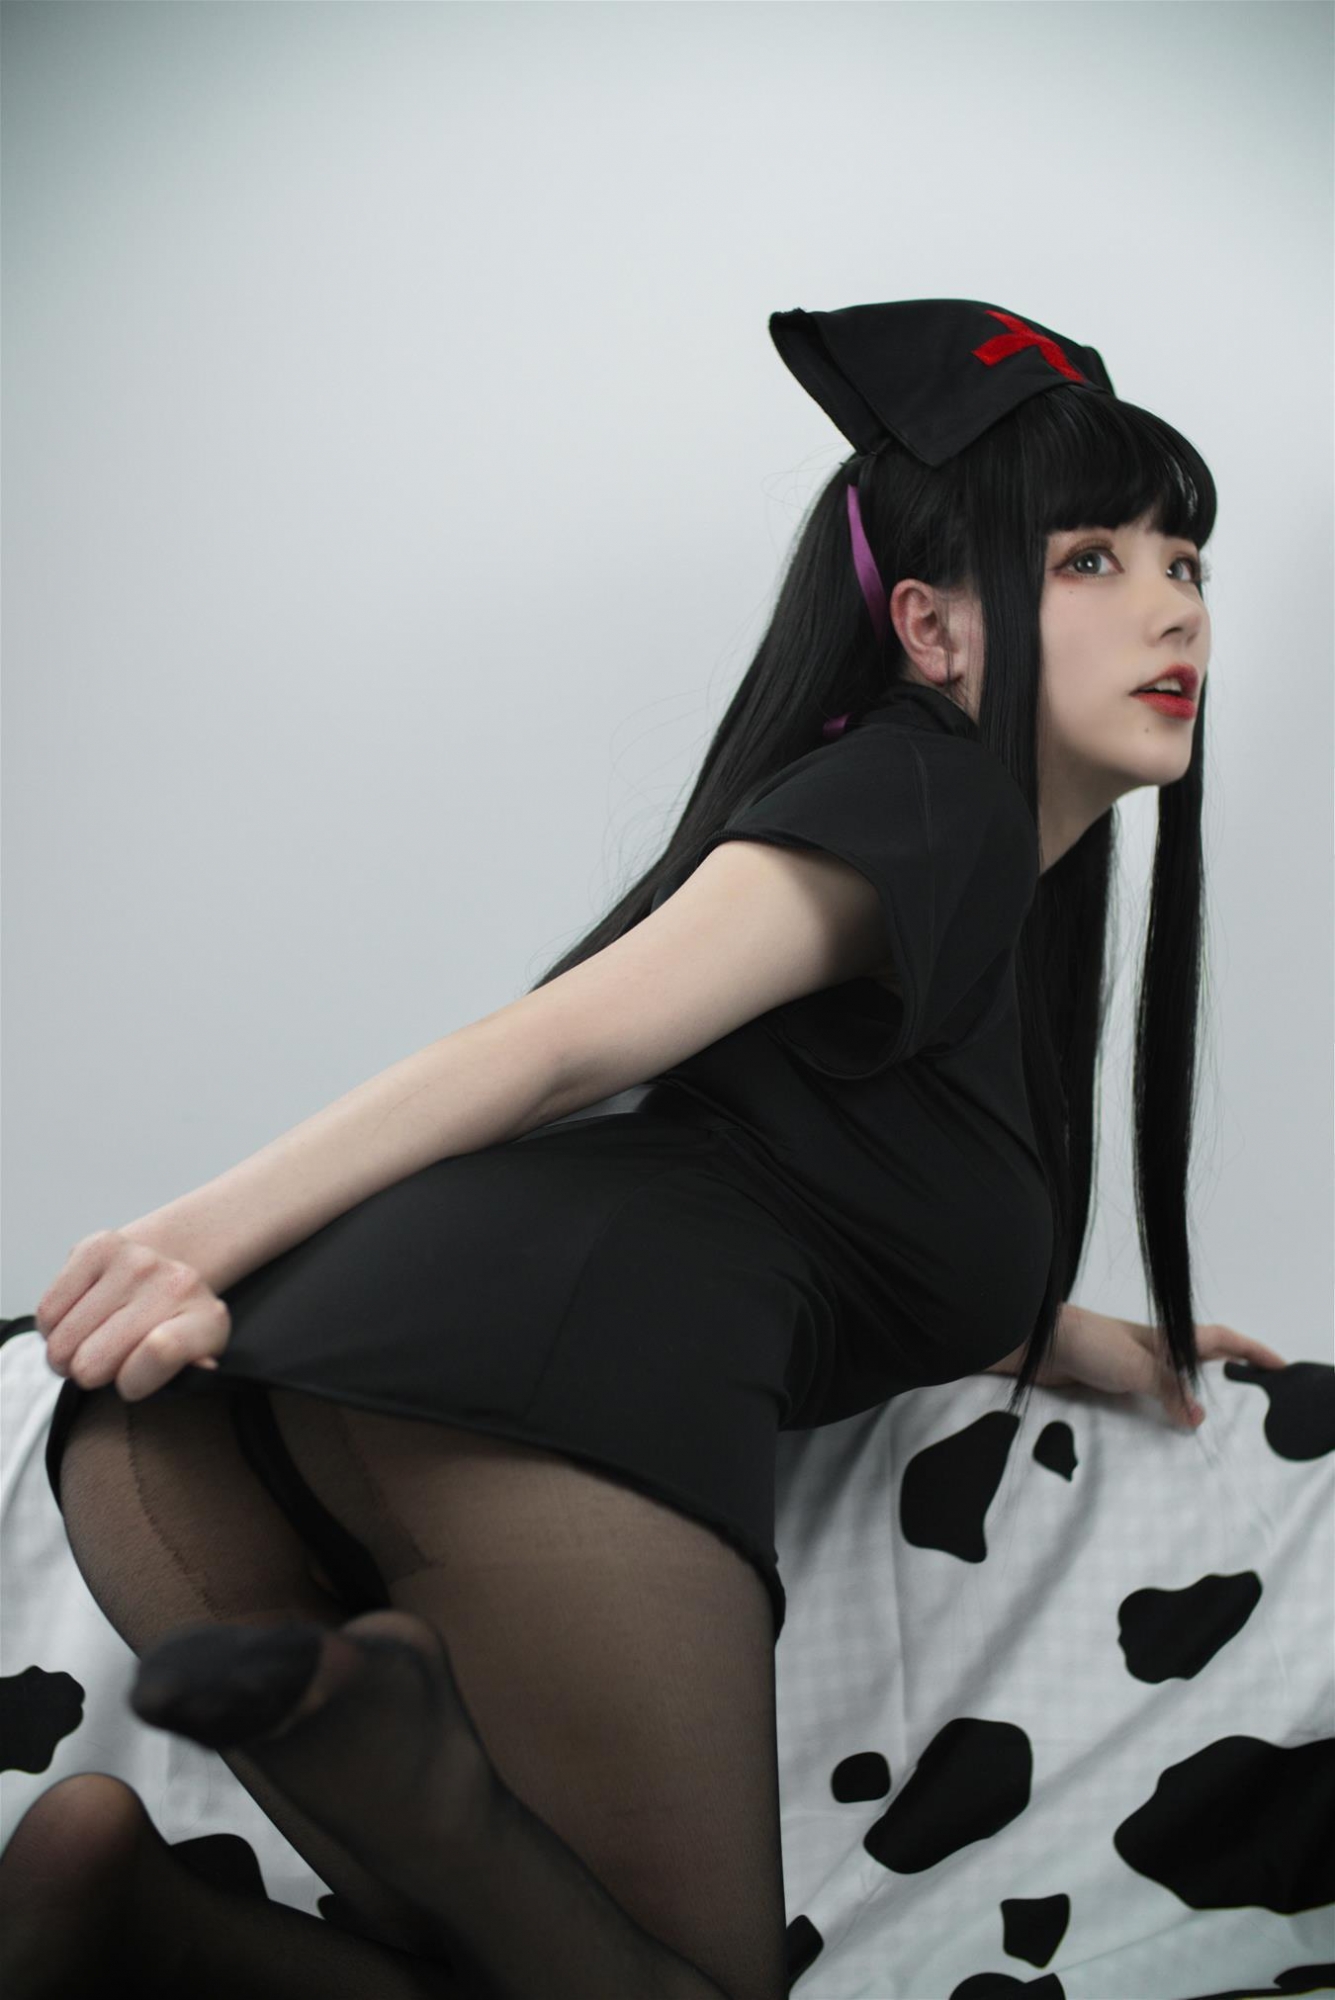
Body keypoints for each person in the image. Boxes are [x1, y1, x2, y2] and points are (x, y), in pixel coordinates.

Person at [0, 299, 1287, 2000]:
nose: (1175, 606)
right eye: (1092, 562)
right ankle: (347, 1803)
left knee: (554, 1970)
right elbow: (568, 1042)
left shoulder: (962, 896)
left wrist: (1072, 1337)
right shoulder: (930, 802)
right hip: (497, 1385)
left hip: (217, 1442)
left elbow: (811, 1202)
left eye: (1186, 560)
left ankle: (126, 1923)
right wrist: (186, 1237)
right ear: (930, 627)